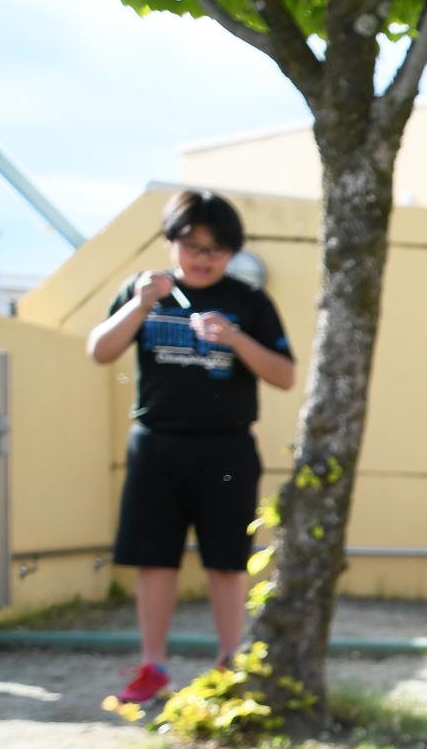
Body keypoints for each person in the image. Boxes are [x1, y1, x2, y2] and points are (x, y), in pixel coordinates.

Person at [85, 189, 295, 705]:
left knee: (227, 561)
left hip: (226, 450)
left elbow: (286, 375)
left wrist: (236, 341)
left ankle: (229, 663)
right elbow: (99, 350)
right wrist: (139, 304)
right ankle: (153, 666)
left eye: (217, 249)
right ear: (170, 243)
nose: (203, 258)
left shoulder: (250, 301)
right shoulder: (146, 292)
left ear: (233, 253)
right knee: (154, 560)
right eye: (193, 245)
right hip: (156, 444)